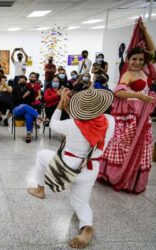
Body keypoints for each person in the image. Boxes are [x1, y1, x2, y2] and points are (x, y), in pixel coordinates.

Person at [27, 88, 115, 249]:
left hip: (66, 166)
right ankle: (86, 227)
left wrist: (61, 103)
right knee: (81, 203)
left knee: (41, 155)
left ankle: (40, 190)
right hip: (90, 168)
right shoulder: (110, 121)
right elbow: (86, 120)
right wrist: (69, 108)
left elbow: (53, 124)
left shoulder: (71, 124)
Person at [98, 19, 156, 194]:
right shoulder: (128, 74)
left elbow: (153, 51)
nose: (138, 62)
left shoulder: (145, 70)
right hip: (129, 118)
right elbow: (118, 92)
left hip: (143, 117)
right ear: (128, 60)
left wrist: (144, 30)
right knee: (124, 146)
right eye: (134, 59)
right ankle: (117, 176)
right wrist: (138, 95)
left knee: (142, 147)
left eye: (140, 59)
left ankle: (133, 180)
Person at [12, 75, 39, 143]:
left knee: (28, 115)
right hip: (17, 109)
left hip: (28, 109)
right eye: (20, 80)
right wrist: (24, 96)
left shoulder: (30, 89)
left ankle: (29, 133)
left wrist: (28, 96)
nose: (22, 81)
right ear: (18, 82)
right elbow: (13, 100)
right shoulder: (14, 89)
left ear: (26, 81)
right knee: (24, 106)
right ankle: (40, 117)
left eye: (24, 80)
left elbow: (33, 99)